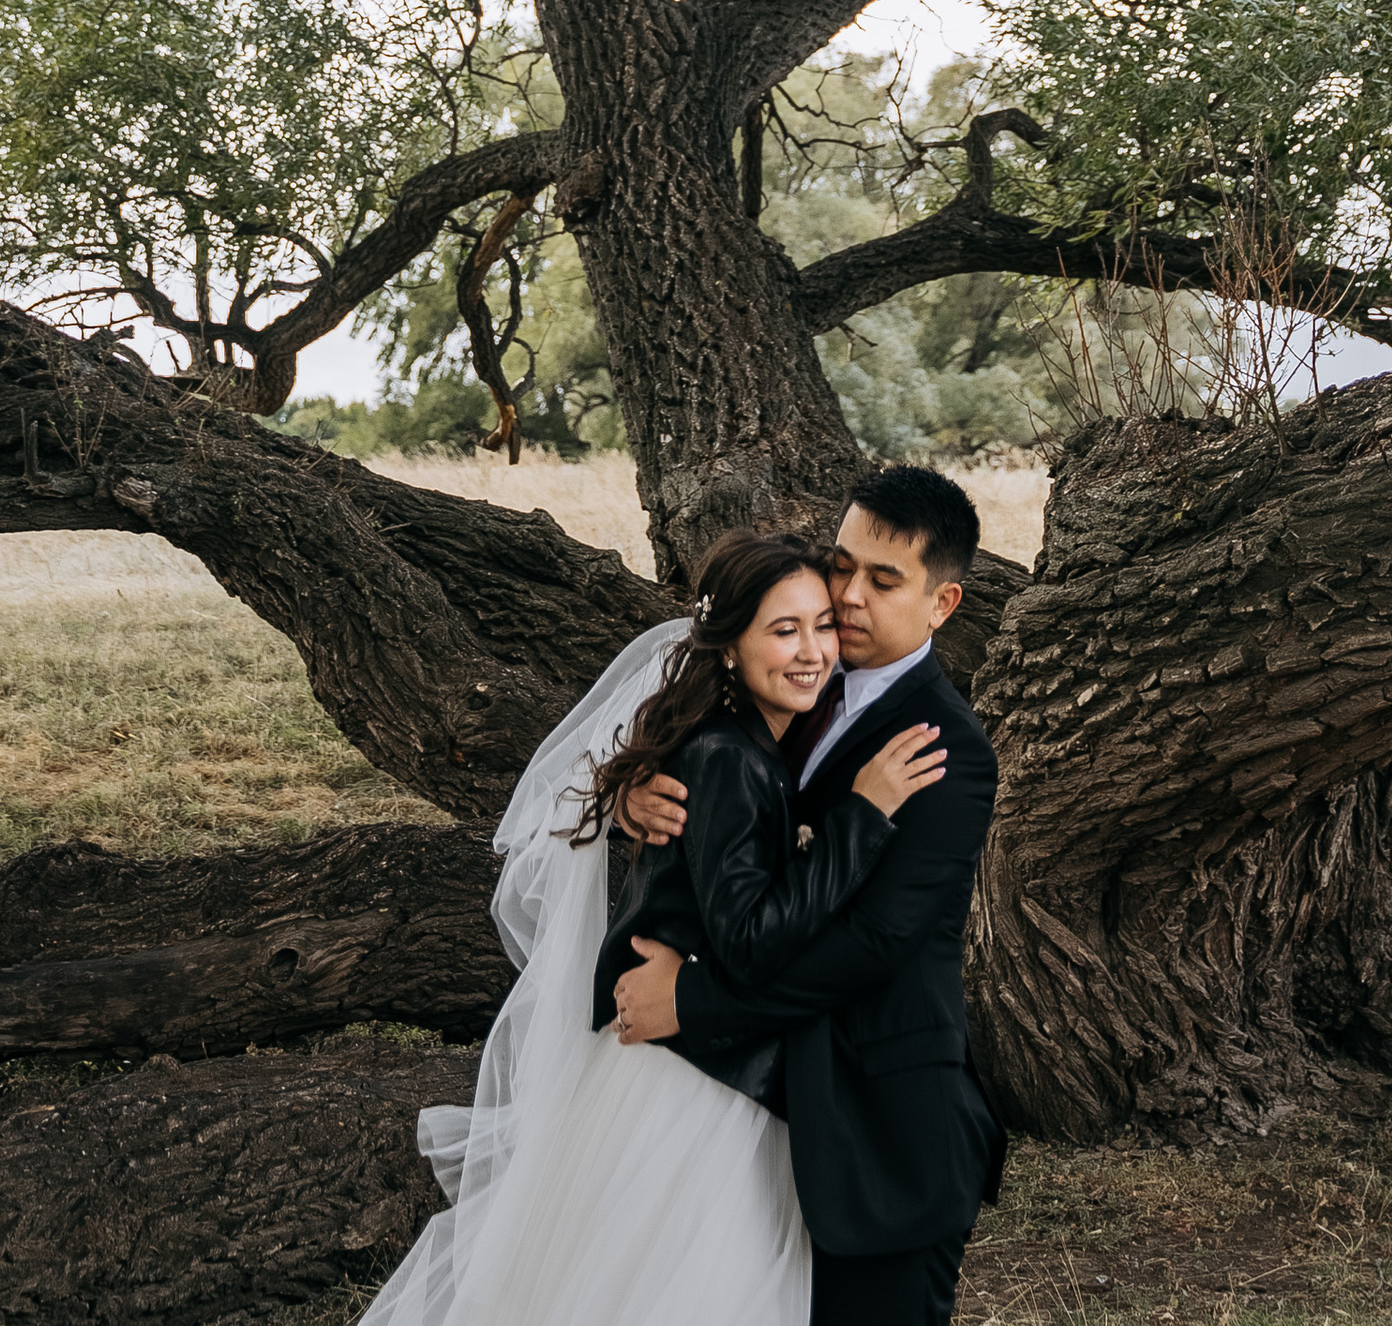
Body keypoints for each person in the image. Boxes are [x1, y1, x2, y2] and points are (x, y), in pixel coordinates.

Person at [354, 525, 946, 1326]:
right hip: (695, 1086)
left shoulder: (760, 734)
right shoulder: (731, 758)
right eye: (784, 630)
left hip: (681, 1064)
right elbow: (752, 940)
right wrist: (862, 818)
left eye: (822, 626)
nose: (813, 651)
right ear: (729, 648)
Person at [612, 464, 1004, 1326]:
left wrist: (694, 1002)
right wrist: (637, 798)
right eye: (842, 565)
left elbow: (875, 945)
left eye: (884, 581)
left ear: (941, 605)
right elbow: (724, 812)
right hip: (750, 1119)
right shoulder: (785, 679)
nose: (848, 596)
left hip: (879, 1131)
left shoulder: (947, 751)